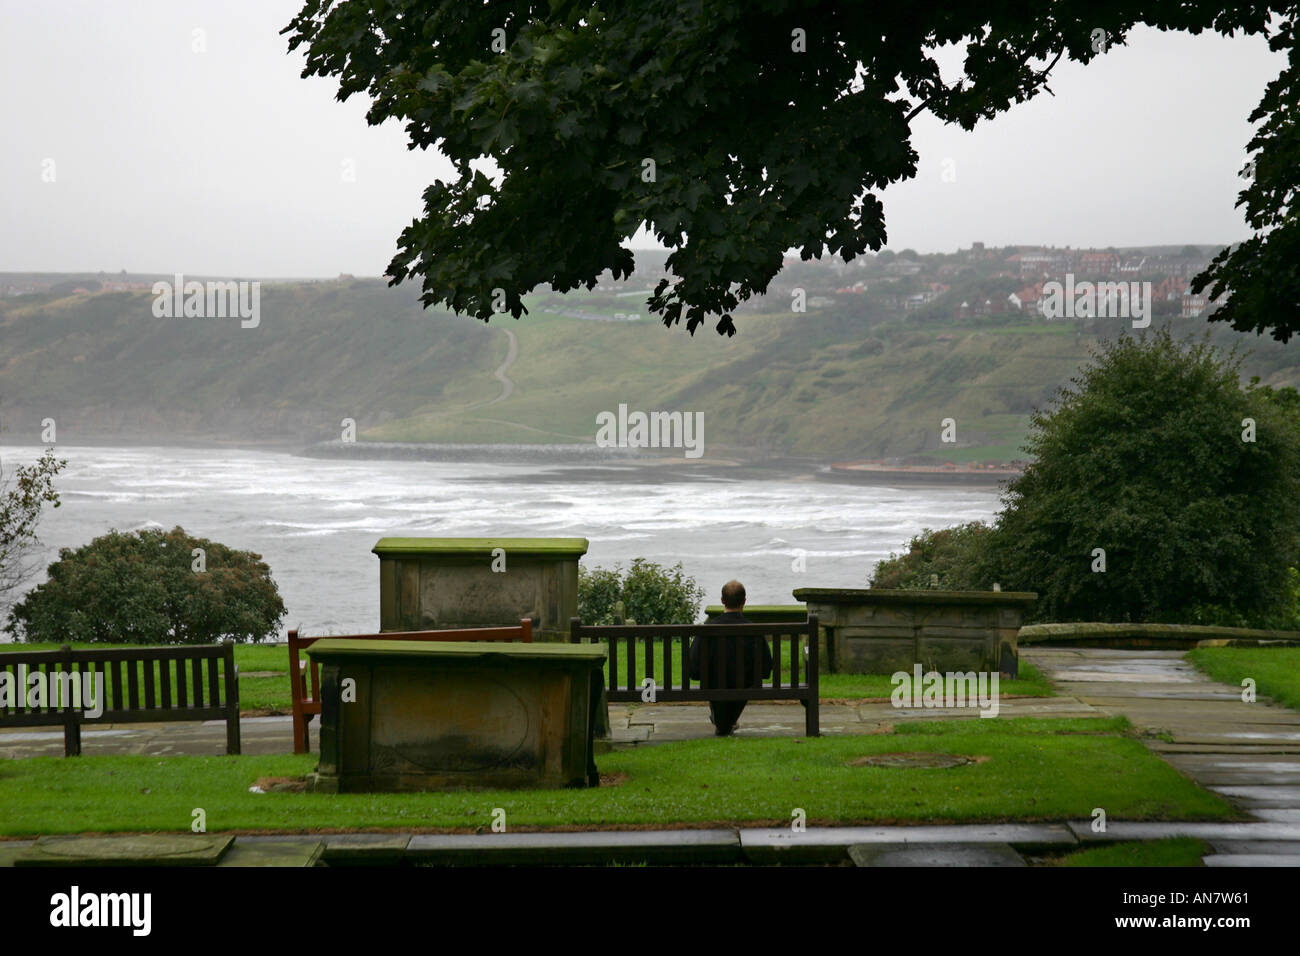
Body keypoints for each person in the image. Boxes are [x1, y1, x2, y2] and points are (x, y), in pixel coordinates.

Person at [688, 579, 772, 736]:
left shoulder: (707, 630)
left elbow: (693, 669)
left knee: (717, 680)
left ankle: (723, 722)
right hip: (744, 685)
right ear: (744, 601)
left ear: (722, 601)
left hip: (713, 684)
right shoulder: (754, 631)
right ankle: (726, 722)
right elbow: (766, 669)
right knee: (742, 680)